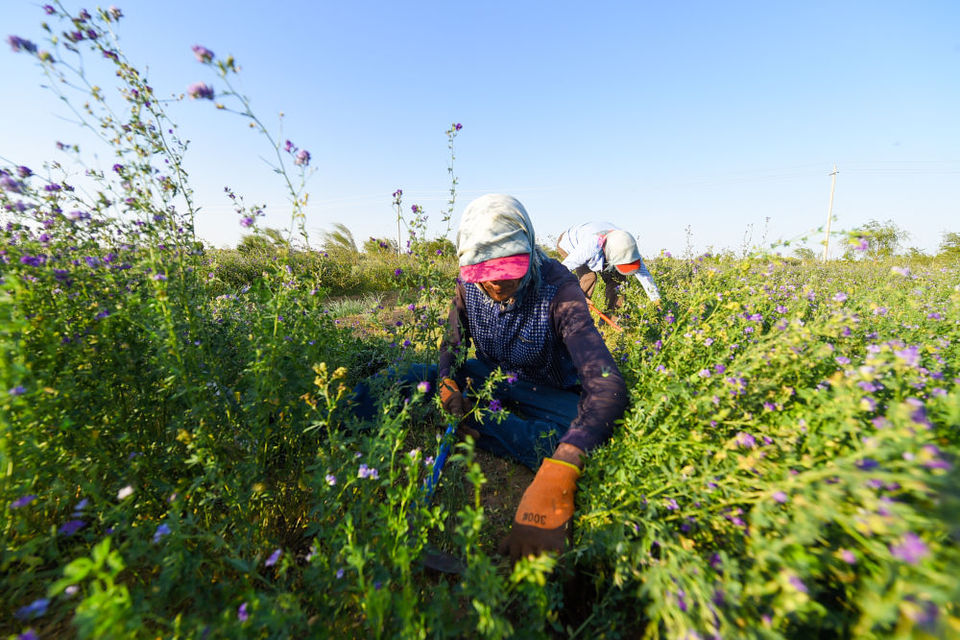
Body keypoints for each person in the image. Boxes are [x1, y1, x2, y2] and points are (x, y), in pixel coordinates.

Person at [437, 194, 628, 562]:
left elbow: (607, 386)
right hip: (493, 377)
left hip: (550, 390)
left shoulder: (561, 290)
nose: (495, 283)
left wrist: (564, 467)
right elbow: (453, 343)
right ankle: (473, 417)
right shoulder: (465, 285)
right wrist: (448, 380)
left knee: (578, 431)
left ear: (527, 248)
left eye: (509, 267)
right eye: (483, 272)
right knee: (417, 379)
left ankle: (491, 428)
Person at [556, 222, 661, 317]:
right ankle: (571, 316)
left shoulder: (628, 247)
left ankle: (613, 318)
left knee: (618, 280)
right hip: (569, 243)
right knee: (589, 277)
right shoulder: (590, 246)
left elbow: (645, 276)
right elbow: (561, 270)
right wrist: (574, 294)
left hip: (603, 248)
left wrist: (657, 301)